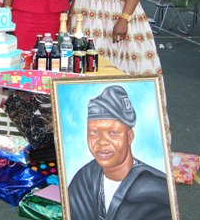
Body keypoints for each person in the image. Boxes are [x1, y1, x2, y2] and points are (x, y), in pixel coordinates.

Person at [68, 85, 171, 220]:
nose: (102, 141)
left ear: (129, 137)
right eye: (94, 132)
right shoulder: (84, 180)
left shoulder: (157, 190)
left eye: (113, 133)